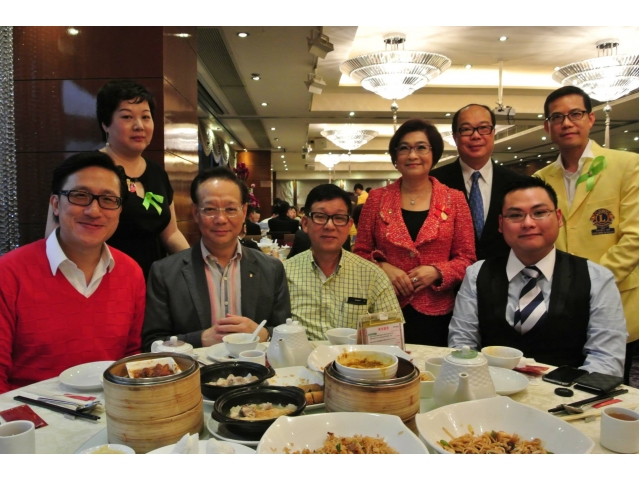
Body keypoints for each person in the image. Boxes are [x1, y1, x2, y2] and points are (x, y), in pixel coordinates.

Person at [449, 176, 627, 376]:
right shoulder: (477, 274)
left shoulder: (596, 278)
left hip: (570, 392)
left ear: (558, 217)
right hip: (490, 388)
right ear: (500, 223)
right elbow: (461, 345)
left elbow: (606, 360)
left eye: (539, 213)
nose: (528, 223)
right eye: (515, 215)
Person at [0, 152, 145, 393]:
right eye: (80, 196)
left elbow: (130, 359)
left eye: (108, 199)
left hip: (112, 410)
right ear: (56, 204)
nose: (94, 211)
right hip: (31, 413)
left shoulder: (131, 272)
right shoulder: (9, 273)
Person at [534, 86, 638, 386]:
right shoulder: (541, 179)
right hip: (557, 307)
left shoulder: (627, 166)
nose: (566, 123)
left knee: (605, 389)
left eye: (575, 114)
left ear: (591, 118)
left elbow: (634, 238)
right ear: (547, 127)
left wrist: (590, 285)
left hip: (616, 300)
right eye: (557, 117)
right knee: (556, 387)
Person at [45, 80, 189, 280]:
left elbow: (171, 234)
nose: (139, 126)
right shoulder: (85, 169)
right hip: (99, 280)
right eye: (127, 117)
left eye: (145, 117)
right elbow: (53, 237)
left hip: (152, 283)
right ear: (105, 124)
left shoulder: (157, 173)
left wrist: (193, 266)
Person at [354, 119, 476, 346]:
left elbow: (467, 258)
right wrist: (383, 268)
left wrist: (437, 271)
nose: (412, 155)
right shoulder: (377, 198)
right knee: (382, 364)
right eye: (404, 148)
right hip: (384, 309)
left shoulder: (454, 199)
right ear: (395, 156)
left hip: (437, 311)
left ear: (433, 153)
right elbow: (360, 253)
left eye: (421, 147)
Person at [142, 167, 290, 351]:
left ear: (244, 211)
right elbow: (152, 343)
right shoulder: (165, 272)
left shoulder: (271, 268)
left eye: (230, 209)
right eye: (210, 209)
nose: (220, 219)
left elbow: (286, 333)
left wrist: (264, 334)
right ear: (195, 213)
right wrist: (200, 339)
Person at [284, 184, 402, 340]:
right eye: (320, 216)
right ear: (305, 223)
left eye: (339, 218)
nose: (329, 226)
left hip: (356, 356)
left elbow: (391, 338)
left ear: (349, 226)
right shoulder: (284, 273)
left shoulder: (373, 275)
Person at [430, 104, 522, 260]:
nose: (476, 136)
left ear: (493, 133)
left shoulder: (518, 183)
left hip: (503, 272)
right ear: (455, 137)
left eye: (483, 128)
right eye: (466, 129)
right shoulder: (434, 182)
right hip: (448, 273)